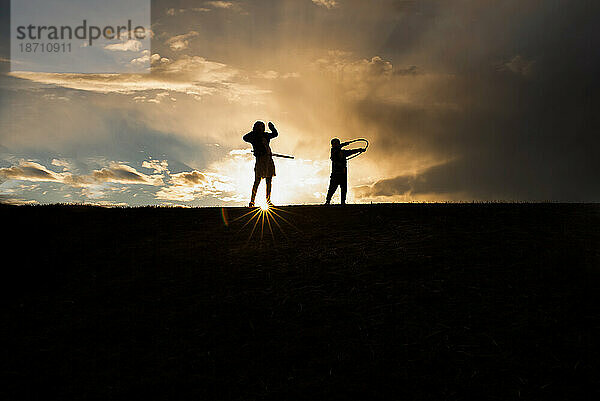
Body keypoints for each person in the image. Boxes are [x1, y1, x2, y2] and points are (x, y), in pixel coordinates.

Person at [243, 121, 278, 207]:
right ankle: (252, 201)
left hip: (268, 159)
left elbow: (275, 134)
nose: (261, 128)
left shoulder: (266, 135)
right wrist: (254, 133)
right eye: (259, 127)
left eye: (262, 127)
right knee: (257, 180)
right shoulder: (253, 137)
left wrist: (272, 127)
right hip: (260, 160)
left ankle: (268, 200)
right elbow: (245, 137)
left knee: (269, 180)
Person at [325, 138, 365, 205]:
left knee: (343, 189)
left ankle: (342, 202)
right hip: (335, 174)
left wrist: (359, 150)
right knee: (332, 188)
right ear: (332, 145)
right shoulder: (333, 151)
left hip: (343, 174)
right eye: (335, 144)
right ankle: (328, 201)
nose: (336, 145)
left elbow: (351, 151)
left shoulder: (343, 152)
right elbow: (335, 153)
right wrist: (344, 144)